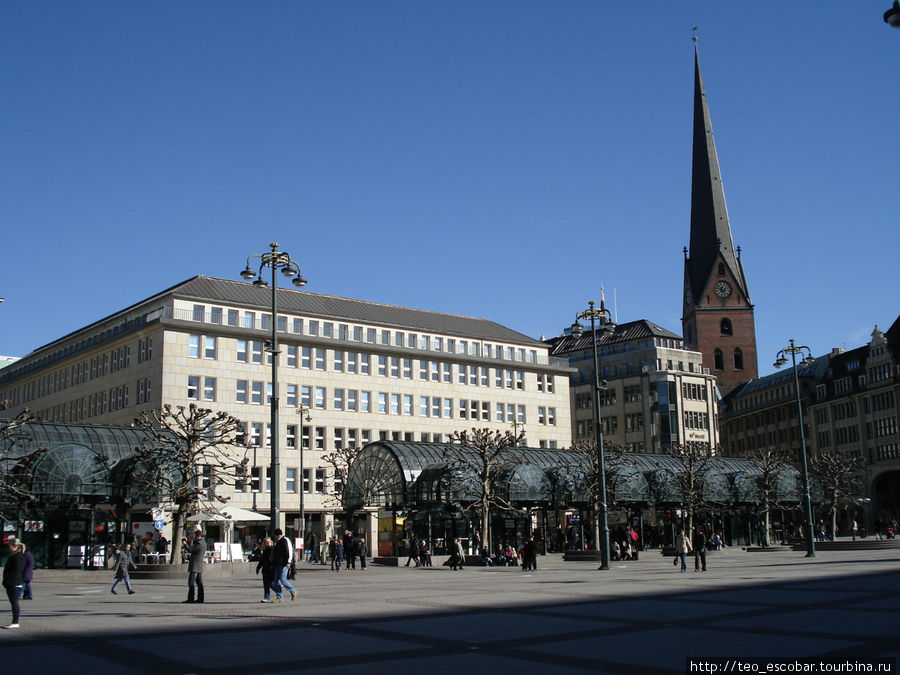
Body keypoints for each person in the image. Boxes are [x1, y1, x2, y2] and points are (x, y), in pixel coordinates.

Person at [3, 538, 25, 629]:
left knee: (14, 602)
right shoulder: (13, 555)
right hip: (11, 582)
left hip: (14, 582)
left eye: (11, 546)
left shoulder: (18, 556)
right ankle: (15, 621)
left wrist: (8, 578)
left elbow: (17, 569)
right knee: (13, 602)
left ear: (15, 546)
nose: (10, 547)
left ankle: (15, 621)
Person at [270, 528, 296, 602]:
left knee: (283, 579)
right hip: (277, 564)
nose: (274, 537)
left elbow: (289, 551)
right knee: (276, 581)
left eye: (275, 535)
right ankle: (279, 597)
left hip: (284, 564)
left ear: (278, 535)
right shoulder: (278, 542)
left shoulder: (285, 540)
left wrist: (288, 562)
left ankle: (293, 591)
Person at [185, 529, 206, 604]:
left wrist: (186, 544)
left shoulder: (199, 543)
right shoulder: (202, 542)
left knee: (191, 582)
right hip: (198, 565)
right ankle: (200, 598)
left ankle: (191, 598)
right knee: (199, 582)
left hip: (195, 565)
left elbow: (190, 549)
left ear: (197, 536)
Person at [256, 537, 274, 602]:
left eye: (268, 542)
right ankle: (266, 597)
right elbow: (262, 560)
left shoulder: (273, 549)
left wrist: (273, 566)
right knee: (266, 584)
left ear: (271, 542)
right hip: (265, 569)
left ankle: (279, 592)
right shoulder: (265, 550)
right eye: (266, 542)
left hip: (272, 569)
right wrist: (258, 567)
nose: (267, 543)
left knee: (271, 584)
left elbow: (274, 559)